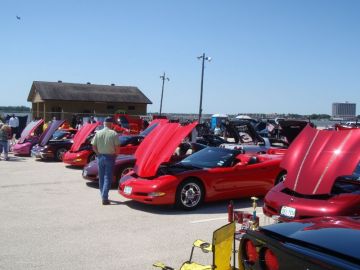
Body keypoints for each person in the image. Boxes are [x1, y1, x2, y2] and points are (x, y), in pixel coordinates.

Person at [91, 117, 120, 205]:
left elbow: (93, 146)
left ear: (104, 124)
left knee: (101, 177)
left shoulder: (98, 133)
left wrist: (98, 153)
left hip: (100, 156)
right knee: (108, 177)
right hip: (110, 157)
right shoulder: (114, 133)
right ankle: (104, 197)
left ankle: (103, 195)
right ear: (111, 124)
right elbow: (117, 148)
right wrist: (115, 155)